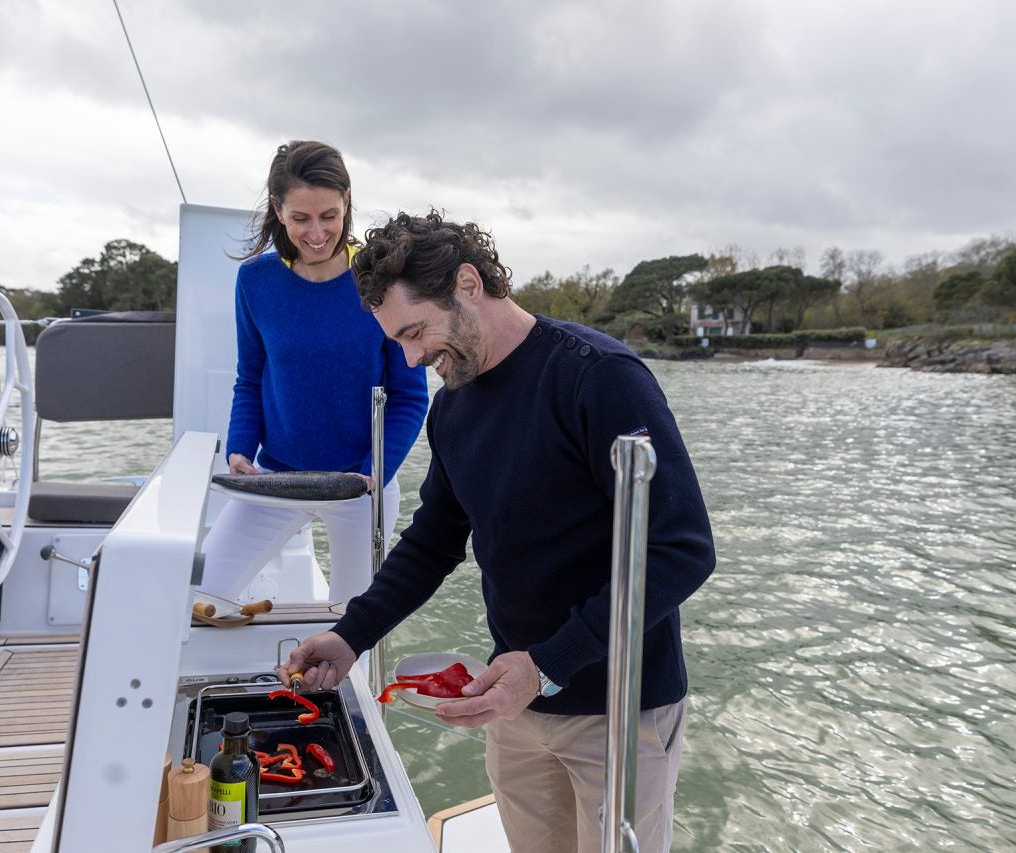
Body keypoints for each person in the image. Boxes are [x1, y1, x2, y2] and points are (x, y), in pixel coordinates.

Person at [279, 210, 715, 852]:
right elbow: (433, 540)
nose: (412, 357)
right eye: (398, 341)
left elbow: (682, 549)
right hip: (514, 704)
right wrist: (352, 634)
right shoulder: (452, 407)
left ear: (467, 283)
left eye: (416, 331)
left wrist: (548, 664)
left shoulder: (599, 378)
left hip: (621, 710)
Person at [199, 142, 428, 604]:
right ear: (278, 210)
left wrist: (372, 474)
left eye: (330, 215)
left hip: (362, 485)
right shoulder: (255, 281)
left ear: (347, 203)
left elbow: (409, 396)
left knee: (354, 630)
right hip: (278, 475)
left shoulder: (382, 280)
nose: (318, 231)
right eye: (301, 218)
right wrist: (241, 447)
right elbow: (251, 375)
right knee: (200, 597)